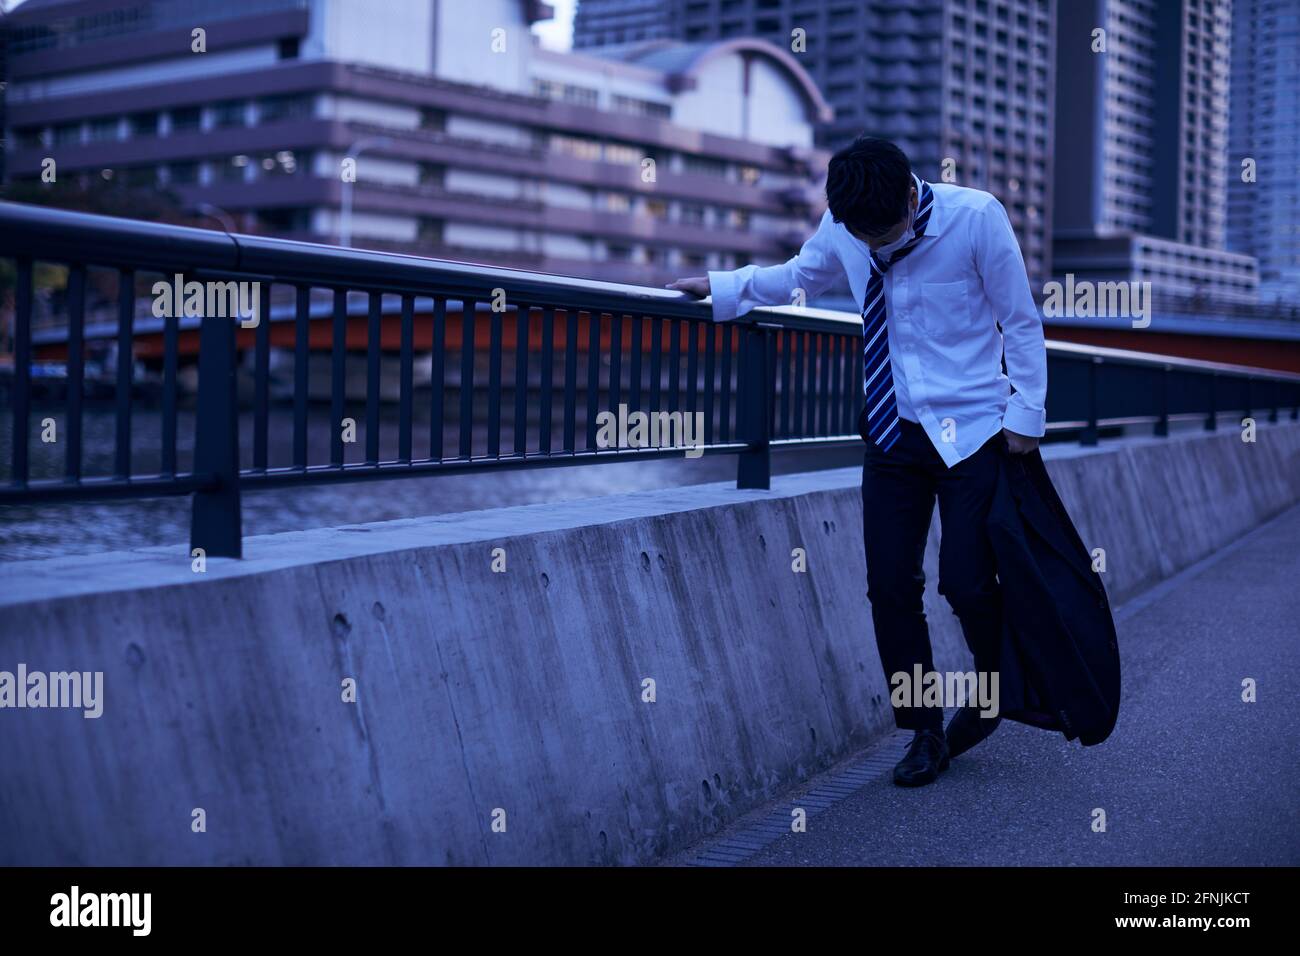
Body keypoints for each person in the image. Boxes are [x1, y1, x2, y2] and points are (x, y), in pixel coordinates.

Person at [668, 136, 1047, 787]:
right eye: (860, 236)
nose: (873, 247)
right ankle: (924, 730)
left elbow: (1021, 321)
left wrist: (1027, 417)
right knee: (889, 587)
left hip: (973, 433)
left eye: (884, 233)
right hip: (891, 435)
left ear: (909, 193)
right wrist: (722, 286)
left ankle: (991, 692)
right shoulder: (846, 224)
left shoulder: (977, 218)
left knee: (966, 581)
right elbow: (797, 276)